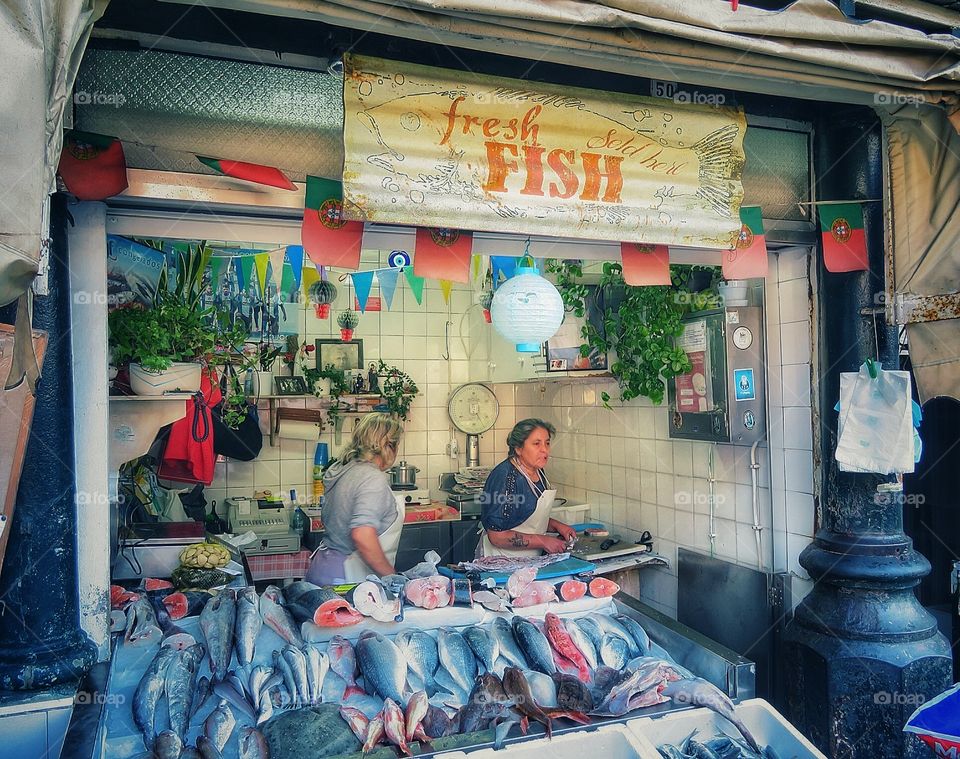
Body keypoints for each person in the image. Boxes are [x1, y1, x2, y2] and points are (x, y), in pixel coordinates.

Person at [305, 413, 404, 584]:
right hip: (347, 578)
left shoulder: (344, 468)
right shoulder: (371, 477)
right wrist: (392, 577)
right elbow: (362, 535)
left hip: (323, 568)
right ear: (389, 446)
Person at [478, 418, 577, 557]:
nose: (544, 450)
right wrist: (543, 541)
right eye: (537, 444)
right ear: (518, 448)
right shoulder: (505, 478)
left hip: (529, 561)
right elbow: (496, 536)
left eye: (547, 443)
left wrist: (556, 526)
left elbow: (525, 516)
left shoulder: (538, 471)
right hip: (502, 561)